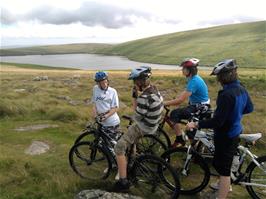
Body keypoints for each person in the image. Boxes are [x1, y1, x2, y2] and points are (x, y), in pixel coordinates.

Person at [186, 59, 253, 199]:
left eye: (218, 76)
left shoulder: (226, 95)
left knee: (224, 170)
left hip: (226, 135)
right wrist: (233, 112)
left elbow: (217, 122)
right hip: (235, 129)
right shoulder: (241, 88)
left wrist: (197, 124)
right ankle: (223, 183)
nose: (217, 79)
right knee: (221, 163)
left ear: (223, 77)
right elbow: (249, 108)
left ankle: (222, 192)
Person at [113, 66, 164, 192]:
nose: (134, 83)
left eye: (135, 81)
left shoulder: (144, 98)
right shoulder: (155, 90)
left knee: (119, 147)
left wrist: (135, 96)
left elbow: (137, 115)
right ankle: (132, 157)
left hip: (144, 127)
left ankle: (123, 181)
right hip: (154, 125)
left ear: (140, 81)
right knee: (131, 137)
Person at [164, 58, 210, 147]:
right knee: (182, 119)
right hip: (199, 105)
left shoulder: (194, 81)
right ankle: (190, 143)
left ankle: (182, 141)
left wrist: (164, 103)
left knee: (175, 114)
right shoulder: (193, 78)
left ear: (189, 70)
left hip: (200, 107)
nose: (182, 70)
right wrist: (175, 100)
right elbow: (185, 93)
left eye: (184, 68)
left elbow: (181, 100)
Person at [92, 70, 120, 139]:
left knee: (112, 146)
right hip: (101, 123)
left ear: (107, 80)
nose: (104, 84)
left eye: (105, 82)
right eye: (101, 83)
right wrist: (95, 115)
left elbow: (116, 108)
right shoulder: (95, 89)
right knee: (101, 145)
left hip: (112, 122)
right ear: (97, 83)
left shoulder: (113, 91)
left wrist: (106, 116)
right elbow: (94, 103)